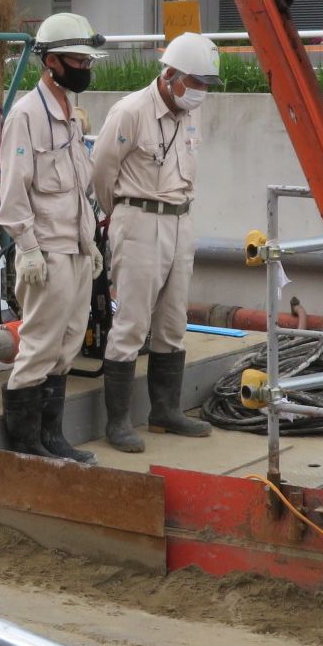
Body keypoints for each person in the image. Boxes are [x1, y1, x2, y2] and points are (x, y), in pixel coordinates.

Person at [89, 34, 219, 452]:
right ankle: (119, 423)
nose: (200, 92)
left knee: (172, 322)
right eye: (195, 82)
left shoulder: (188, 114)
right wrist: (123, 215)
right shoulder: (130, 112)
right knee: (130, 323)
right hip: (140, 219)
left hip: (181, 220)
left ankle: (165, 411)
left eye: (205, 85)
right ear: (170, 75)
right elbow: (101, 173)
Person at [0, 12, 107, 464]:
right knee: (40, 344)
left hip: (76, 248)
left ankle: (51, 436)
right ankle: (25, 443)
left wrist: (92, 244)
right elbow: (14, 189)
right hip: (47, 251)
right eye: (77, 60)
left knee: (67, 344)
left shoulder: (70, 116)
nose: (84, 67)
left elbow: (80, 186)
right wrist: (27, 249)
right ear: (51, 62)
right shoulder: (26, 116)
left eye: (86, 59)